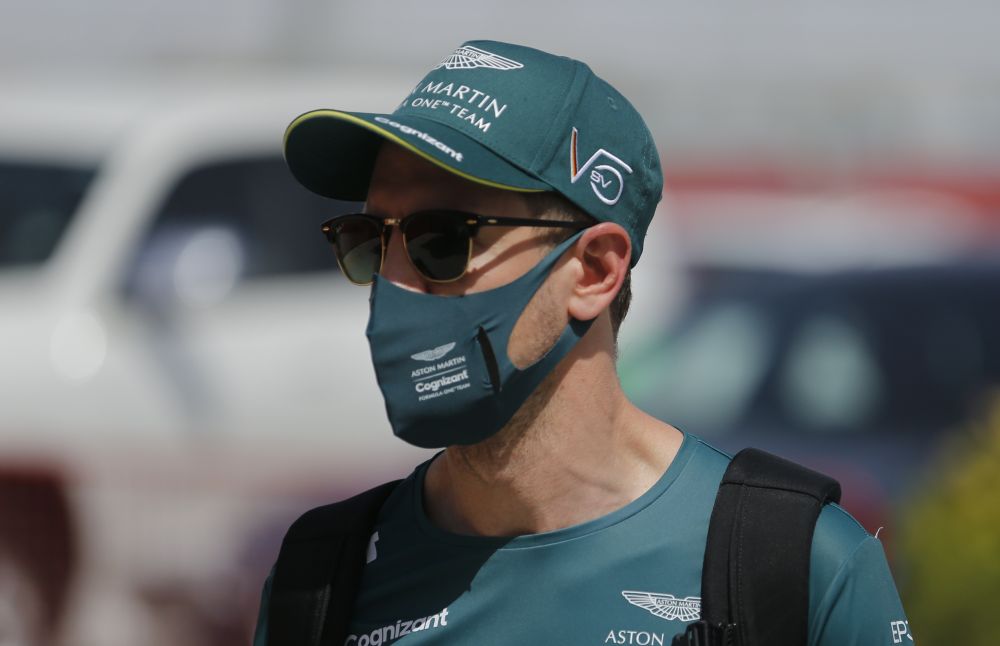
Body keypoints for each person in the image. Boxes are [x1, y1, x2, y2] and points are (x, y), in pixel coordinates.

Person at [254, 40, 909, 645]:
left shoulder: (792, 562)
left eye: (440, 239)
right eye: (368, 242)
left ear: (594, 271)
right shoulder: (322, 579)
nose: (392, 285)